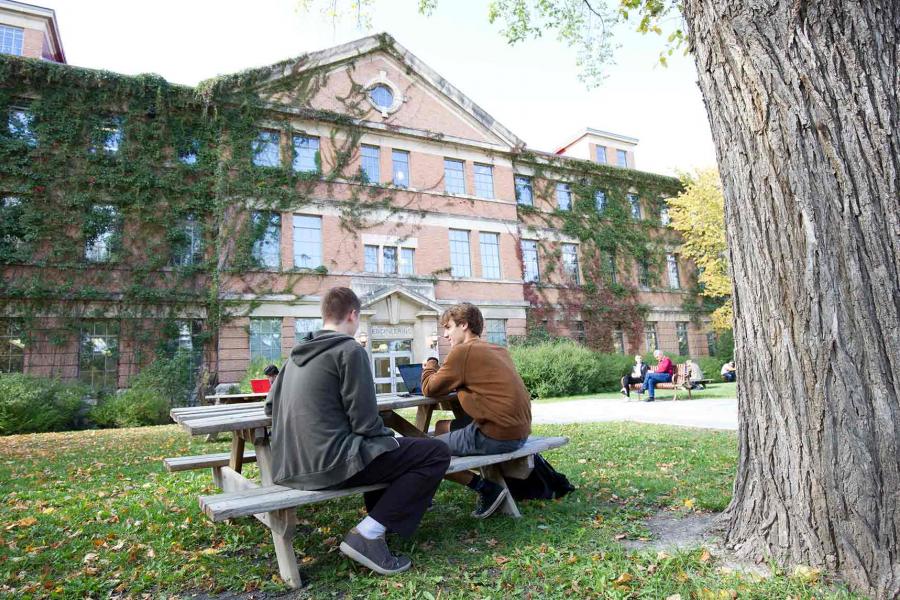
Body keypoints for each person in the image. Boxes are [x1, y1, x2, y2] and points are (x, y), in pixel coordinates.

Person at [265, 287, 450, 576]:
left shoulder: (293, 358)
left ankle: (379, 525)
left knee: (393, 450)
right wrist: (389, 436)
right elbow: (365, 423)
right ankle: (369, 534)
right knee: (435, 451)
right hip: (331, 465)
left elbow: (269, 408)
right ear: (353, 315)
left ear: (325, 314)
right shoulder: (350, 350)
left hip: (291, 467)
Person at [421, 302, 532, 519]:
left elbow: (429, 388)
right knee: (440, 427)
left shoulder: (462, 352)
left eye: (448, 327)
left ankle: (486, 489)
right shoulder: (498, 350)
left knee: (425, 451)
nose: (445, 335)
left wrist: (430, 363)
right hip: (519, 432)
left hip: (497, 436)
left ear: (464, 325)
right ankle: (427, 494)